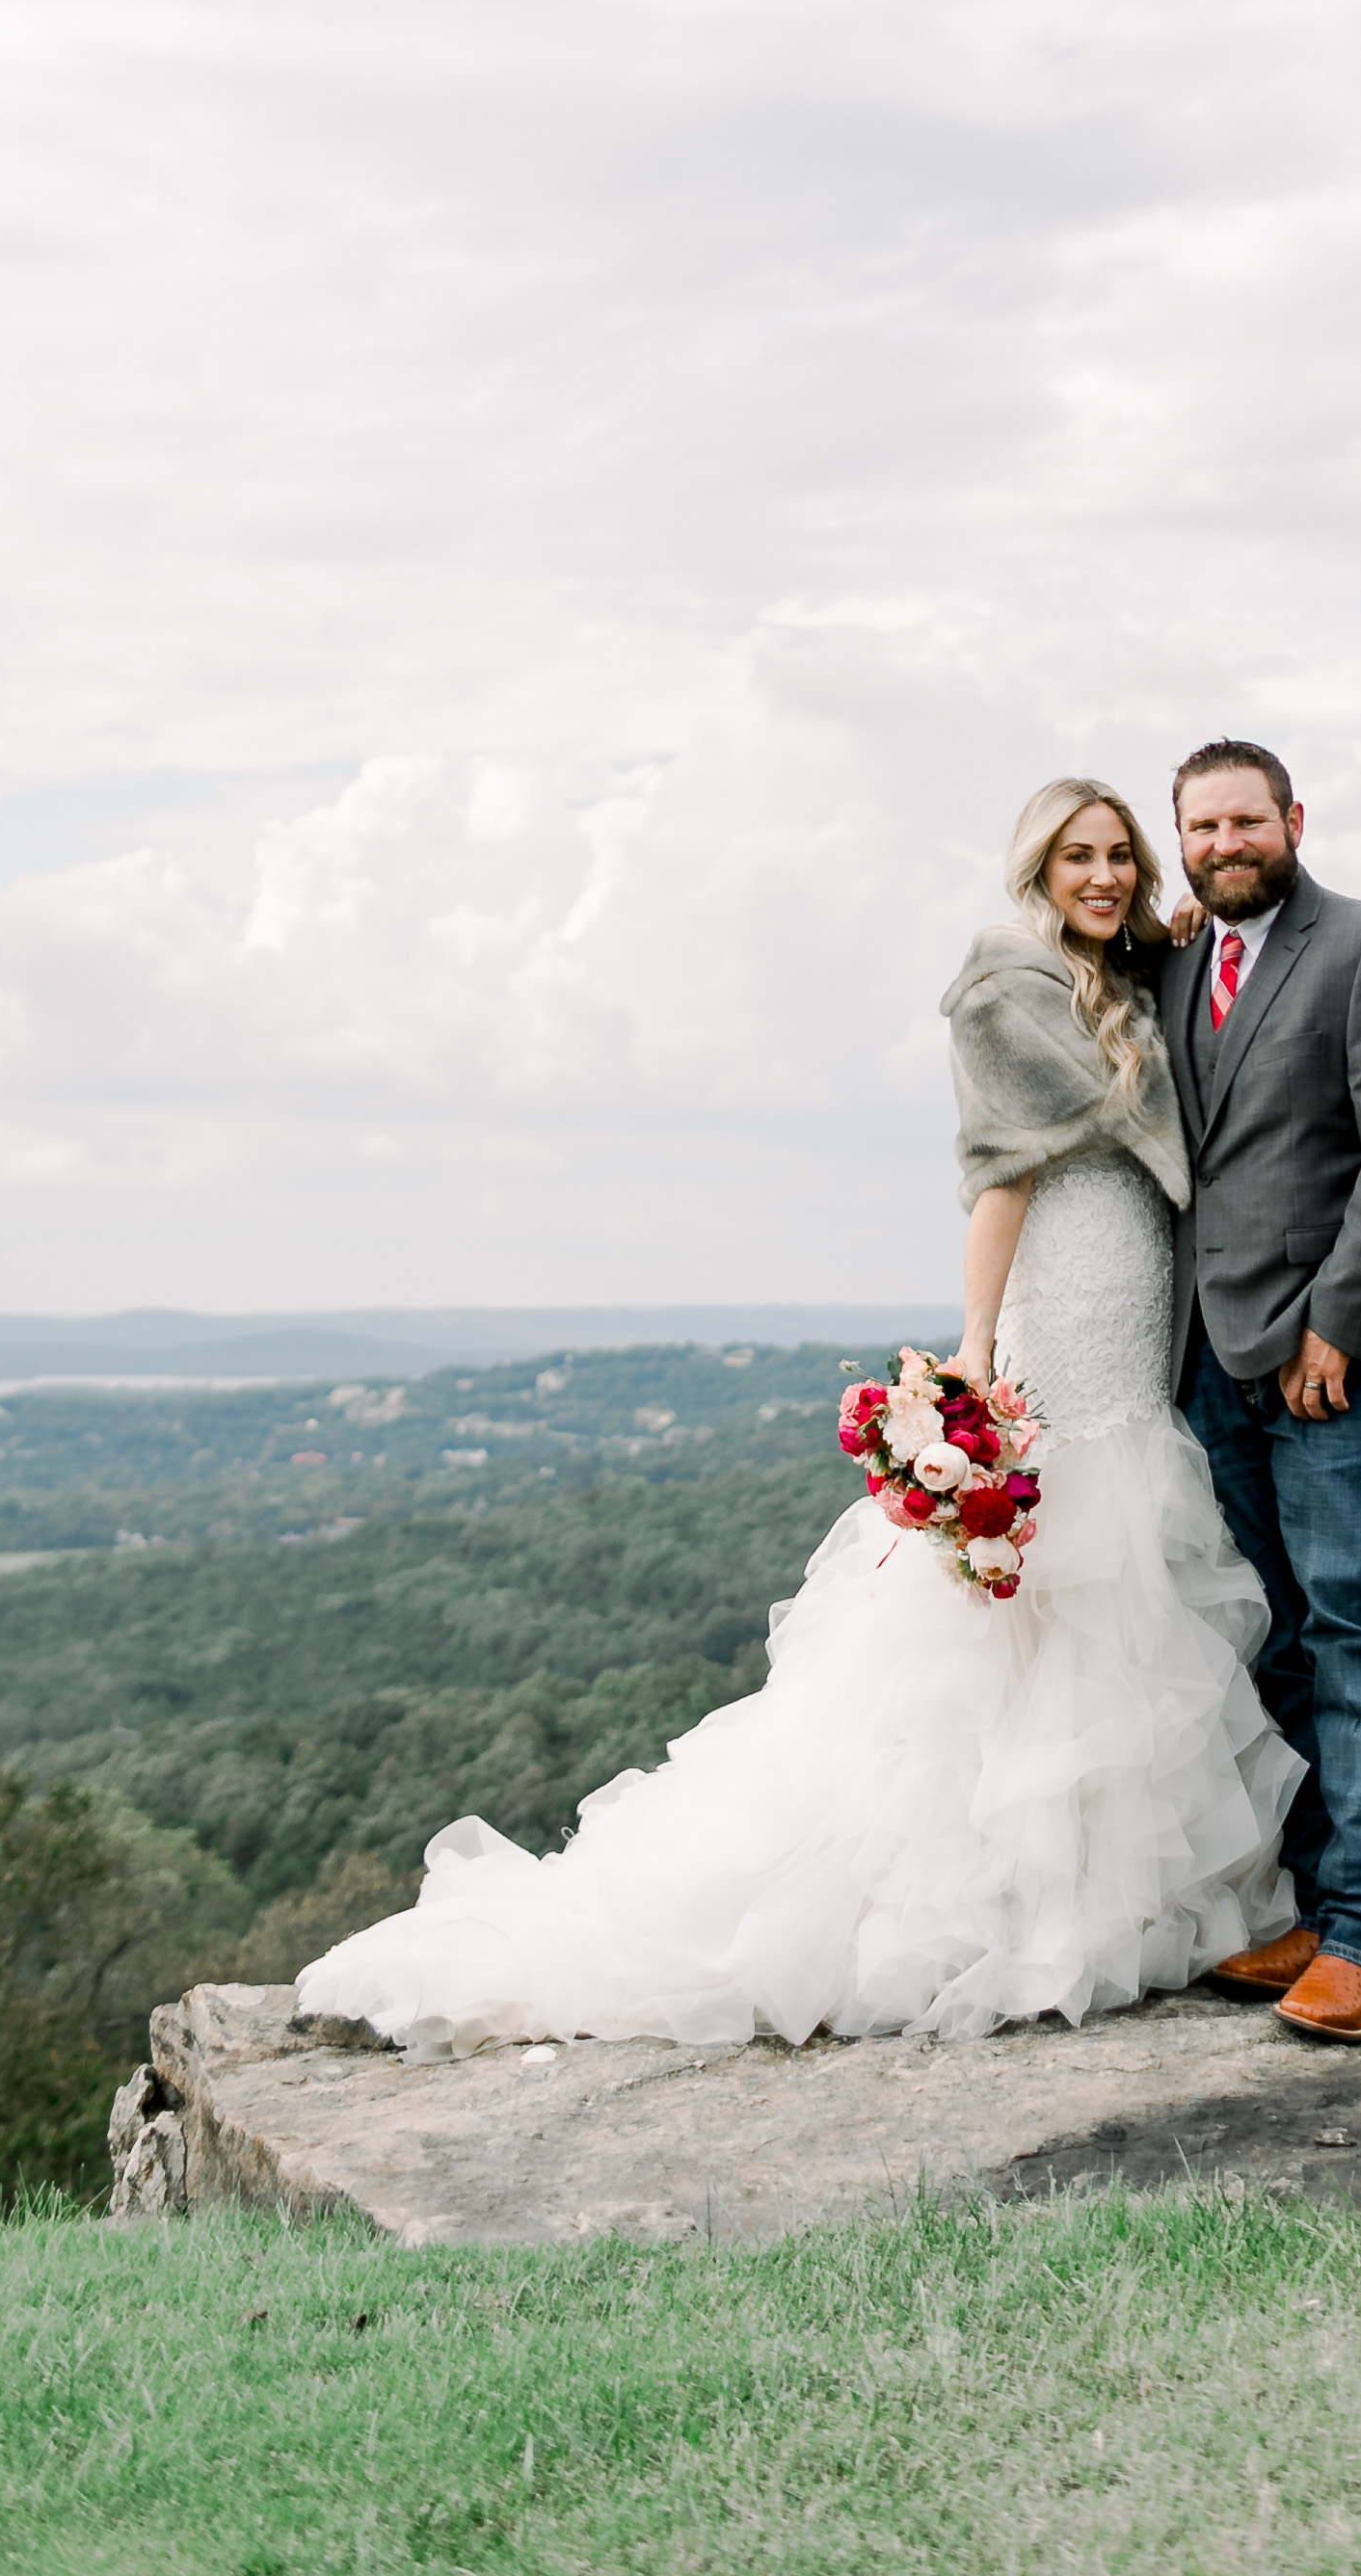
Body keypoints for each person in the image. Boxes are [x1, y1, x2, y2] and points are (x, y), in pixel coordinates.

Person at [290, 777, 1298, 2052]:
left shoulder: (1136, 974)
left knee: (1124, 1581)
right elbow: (1001, 1176)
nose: (1099, 875)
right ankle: (1014, 1902)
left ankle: (1124, 1878)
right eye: (1073, 856)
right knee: (1044, 1585)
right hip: (1060, 1289)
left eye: (1115, 855)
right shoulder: (1009, 988)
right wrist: (979, 1346)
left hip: (1139, 1296)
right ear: (1035, 872)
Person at [1159, 739, 1361, 2046]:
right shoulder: (1176, 962)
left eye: (1242, 821)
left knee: (1351, 1629)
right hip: (1209, 1360)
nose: (1223, 844)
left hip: (1332, 1360)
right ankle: (1310, 1905)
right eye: (1199, 827)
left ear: (1290, 819)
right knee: (1272, 1638)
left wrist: (1340, 1319)